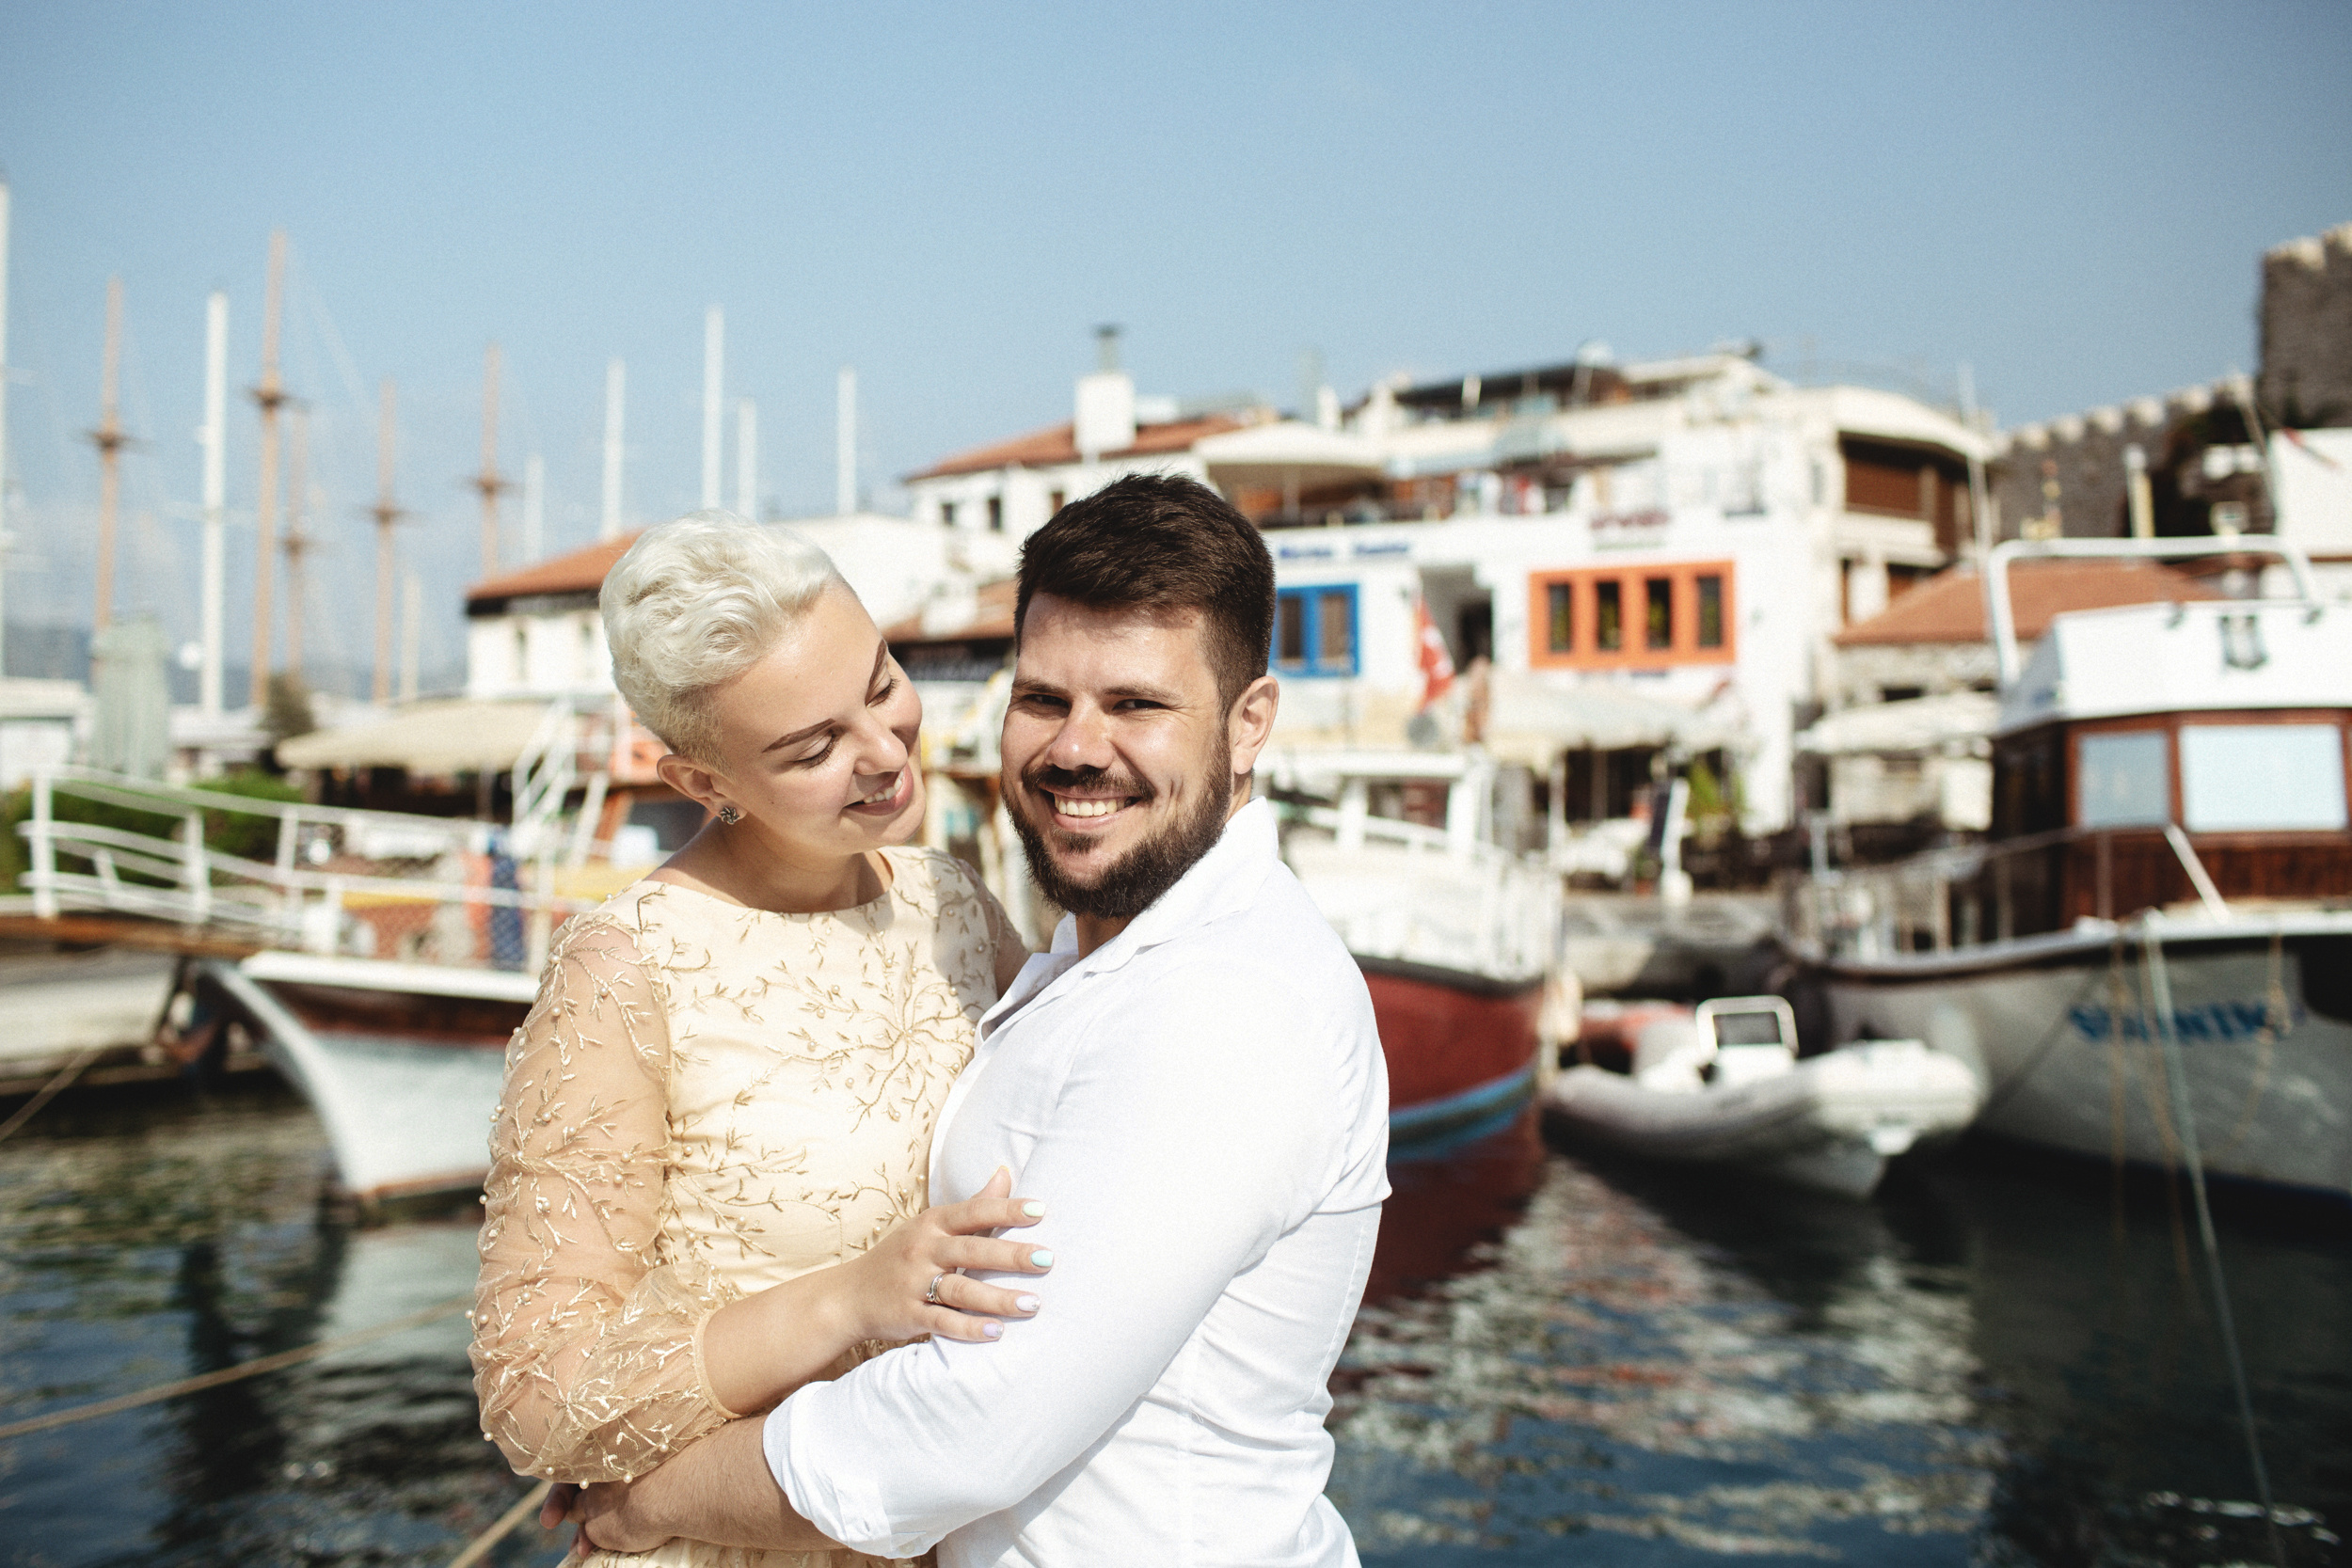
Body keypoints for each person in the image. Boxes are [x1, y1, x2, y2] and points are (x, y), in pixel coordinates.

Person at [560, 474, 1391, 1566]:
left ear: (1248, 725)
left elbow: (967, 1428)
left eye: (1136, 705)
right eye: (1044, 698)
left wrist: (649, 1500)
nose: (1077, 748)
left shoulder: (1224, 1004)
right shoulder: (1085, 952)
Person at [469, 513, 1057, 1568]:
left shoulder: (954, 902)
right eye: (812, 747)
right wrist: (846, 1299)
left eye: (881, 685)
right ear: (703, 781)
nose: (884, 754)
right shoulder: (626, 966)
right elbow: (536, 1397)